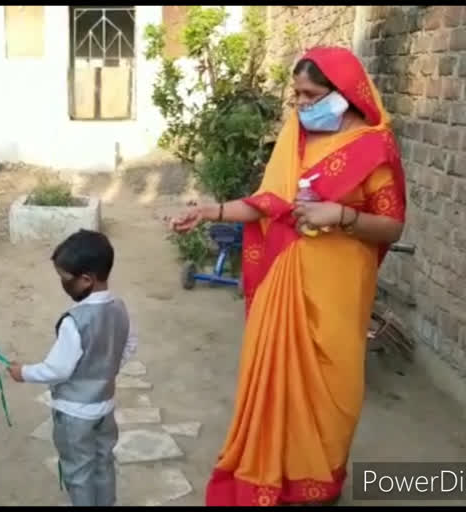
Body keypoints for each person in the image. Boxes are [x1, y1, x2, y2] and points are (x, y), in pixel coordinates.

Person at [171, 46, 406, 506]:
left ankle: (319, 487)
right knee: (276, 387)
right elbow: (266, 204)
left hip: (337, 295)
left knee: (333, 393)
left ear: (343, 94)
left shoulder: (374, 147)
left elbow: (392, 225)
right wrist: (208, 210)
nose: (300, 104)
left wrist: (340, 215)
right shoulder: (295, 137)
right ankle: (273, 480)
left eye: (310, 94)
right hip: (285, 283)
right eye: (295, 94)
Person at [7, 229, 138, 507]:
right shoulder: (119, 306)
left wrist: (25, 372)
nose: (62, 284)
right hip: (105, 405)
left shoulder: (74, 320)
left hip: (74, 412)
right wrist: (107, 367)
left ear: (86, 279)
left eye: (65, 279)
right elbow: (129, 344)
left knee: (78, 470)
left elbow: (58, 370)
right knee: (103, 462)